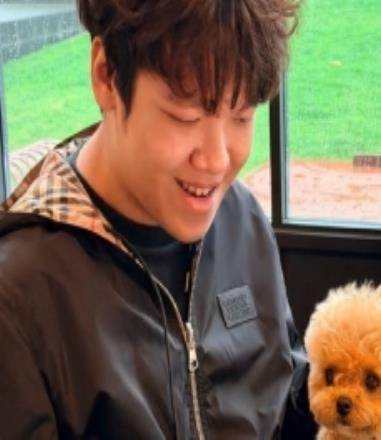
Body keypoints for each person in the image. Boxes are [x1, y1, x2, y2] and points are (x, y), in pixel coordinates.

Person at [0, 0, 318, 438]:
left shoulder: (241, 219)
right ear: (106, 76)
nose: (216, 160)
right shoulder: (18, 297)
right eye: (185, 116)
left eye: (242, 116)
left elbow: (286, 399)